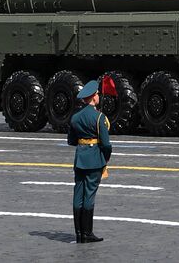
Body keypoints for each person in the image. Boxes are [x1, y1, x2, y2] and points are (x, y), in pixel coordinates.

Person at [68, 80, 112, 244]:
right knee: (89, 195)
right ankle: (87, 233)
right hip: (94, 159)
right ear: (93, 97)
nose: (99, 96)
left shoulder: (75, 117)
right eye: (98, 94)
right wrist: (105, 158)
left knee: (78, 194)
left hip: (80, 158)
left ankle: (79, 233)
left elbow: (71, 141)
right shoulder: (99, 117)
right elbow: (106, 144)